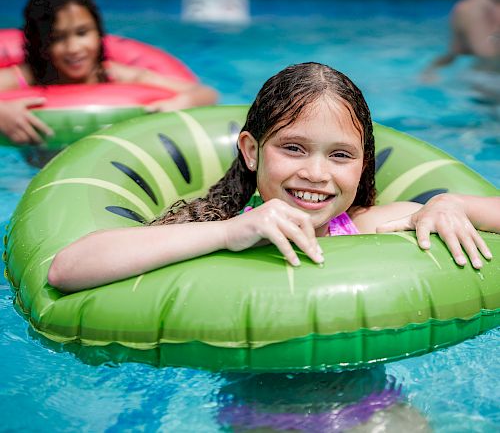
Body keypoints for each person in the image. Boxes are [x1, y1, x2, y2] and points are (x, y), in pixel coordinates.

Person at [48, 62, 500, 293]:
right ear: (251, 151)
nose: (316, 173)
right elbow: (66, 270)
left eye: (340, 155)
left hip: (371, 407)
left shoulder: (370, 227)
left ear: (363, 164)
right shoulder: (217, 226)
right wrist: (227, 232)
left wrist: (451, 205)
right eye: (293, 148)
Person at [0, 0, 218, 145]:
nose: (74, 48)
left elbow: (206, 93)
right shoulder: (24, 77)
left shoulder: (116, 75)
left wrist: (183, 102)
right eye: (58, 38)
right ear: (39, 43)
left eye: (82, 33)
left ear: (98, 33)